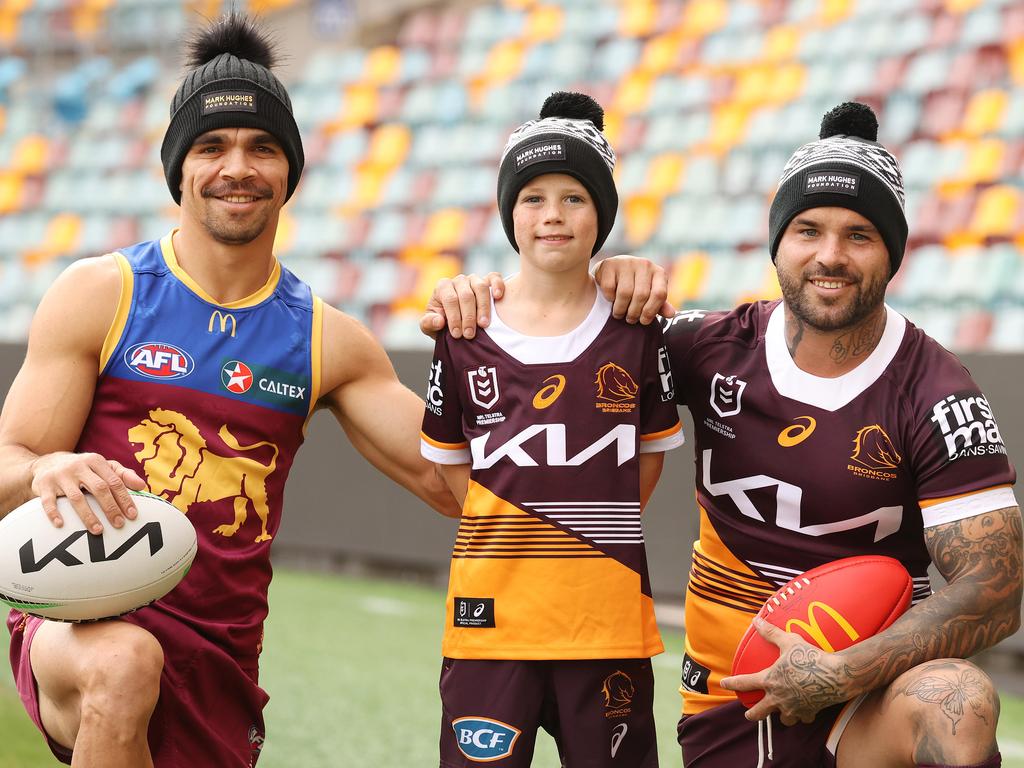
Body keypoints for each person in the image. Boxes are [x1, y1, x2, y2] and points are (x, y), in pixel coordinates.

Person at [420, 102, 1021, 768]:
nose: (830, 255)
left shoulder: (938, 389)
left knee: (955, 700)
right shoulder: (703, 347)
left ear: (893, 252)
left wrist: (842, 672)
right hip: (731, 701)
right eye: (808, 229)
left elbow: (996, 589)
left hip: (868, 697)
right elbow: (561, 333)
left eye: (859, 235)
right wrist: (484, 293)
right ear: (777, 244)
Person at [0, 14, 458, 768]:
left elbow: (451, 484)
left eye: (262, 148)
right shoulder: (101, 293)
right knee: (125, 664)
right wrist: (41, 469)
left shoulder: (325, 338)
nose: (235, 167)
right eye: (211, 147)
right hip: (79, 627)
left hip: (221, 654)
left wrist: (537, 323)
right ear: (179, 169)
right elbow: (8, 464)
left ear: (290, 173)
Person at [420, 92, 684, 767]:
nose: (553, 215)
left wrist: (586, 531)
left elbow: (644, 468)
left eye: (574, 197)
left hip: (606, 626)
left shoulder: (636, 331)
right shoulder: (463, 330)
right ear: (510, 212)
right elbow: (454, 471)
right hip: (489, 626)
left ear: (602, 213)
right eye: (534, 197)